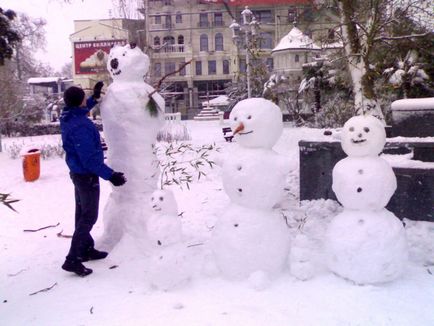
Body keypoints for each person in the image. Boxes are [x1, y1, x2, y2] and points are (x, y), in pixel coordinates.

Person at [60, 82, 126, 277]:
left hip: (77, 173)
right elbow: (89, 159)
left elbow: (80, 111)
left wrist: (94, 99)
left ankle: (86, 249)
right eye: (84, 98)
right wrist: (111, 175)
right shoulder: (80, 126)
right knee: (88, 217)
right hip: (86, 175)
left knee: (82, 214)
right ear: (79, 101)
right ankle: (72, 258)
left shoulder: (68, 116)